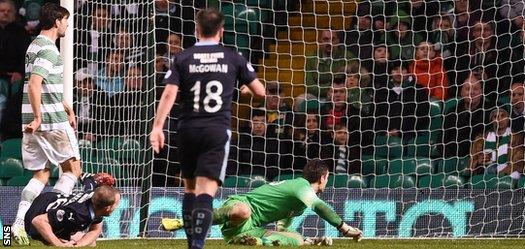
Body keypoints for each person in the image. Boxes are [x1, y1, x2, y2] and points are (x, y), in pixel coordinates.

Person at [149, 8, 265, 249]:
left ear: (196, 30)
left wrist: (158, 126)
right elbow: (261, 92)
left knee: (189, 189)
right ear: (221, 31)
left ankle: (192, 243)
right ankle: (198, 245)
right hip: (216, 130)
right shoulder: (233, 57)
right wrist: (242, 89)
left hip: (187, 129)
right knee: (206, 192)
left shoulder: (183, 57)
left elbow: (170, 92)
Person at [161, 159, 363, 246]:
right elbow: (320, 207)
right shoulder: (302, 187)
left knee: (298, 240)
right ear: (323, 177)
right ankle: (185, 221)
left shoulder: (300, 200)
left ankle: (251, 242)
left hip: (252, 229)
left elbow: (283, 223)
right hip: (241, 208)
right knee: (242, 211)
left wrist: (301, 238)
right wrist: (345, 229)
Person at [12, 3, 83, 245]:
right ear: (57, 21)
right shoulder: (49, 50)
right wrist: (40, 117)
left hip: (30, 120)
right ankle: (49, 219)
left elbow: (45, 84)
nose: (67, 25)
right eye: (65, 21)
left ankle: (17, 224)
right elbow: (34, 83)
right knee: (73, 171)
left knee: (40, 174)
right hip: (49, 121)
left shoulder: (34, 45)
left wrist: (66, 104)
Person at [24, 185, 121, 247]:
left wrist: (78, 245)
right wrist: (58, 244)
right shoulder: (77, 214)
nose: (117, 206)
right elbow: (38, 220)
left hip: (53, 203)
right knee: (55, 242)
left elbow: (95, 229)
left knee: (90, 243)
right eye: (116, 204)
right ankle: (15, 228)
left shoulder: (96, 198)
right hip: (37, 214)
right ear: (107, 208)